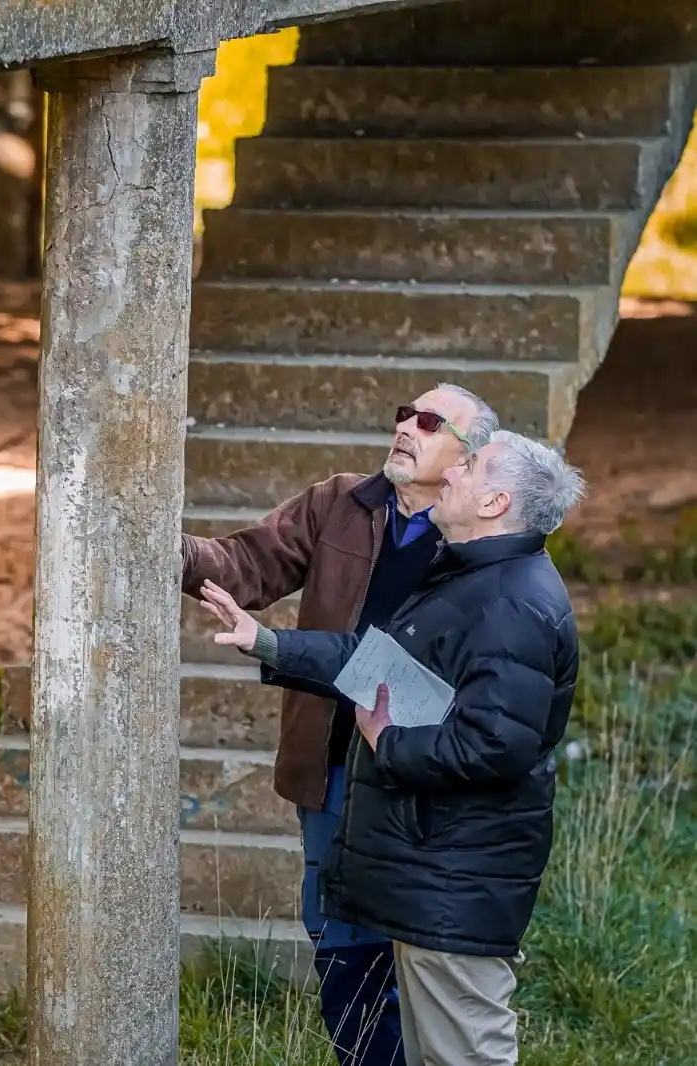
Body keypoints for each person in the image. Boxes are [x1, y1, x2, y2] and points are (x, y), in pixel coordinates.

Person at [201, 430, 586, 1066]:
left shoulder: (510, 602)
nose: (451, 473)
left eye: (469, 466)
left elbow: (495, 746)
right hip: (434, 871)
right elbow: (377, 663)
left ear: (495, 502)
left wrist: (390, 743)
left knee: (464, 1055)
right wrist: (267, 642)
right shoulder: (473, 576)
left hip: (456, 877)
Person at [180, 383, 497, 1066]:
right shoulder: (341, 502)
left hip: (424, 773)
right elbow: (249, 563)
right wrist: (173, 553)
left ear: (470, 459)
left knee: (414, 955)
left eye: (430, 421)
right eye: (403, 415)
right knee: (338, 948)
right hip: (331, 767)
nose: (406, 427)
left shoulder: (479, 534)